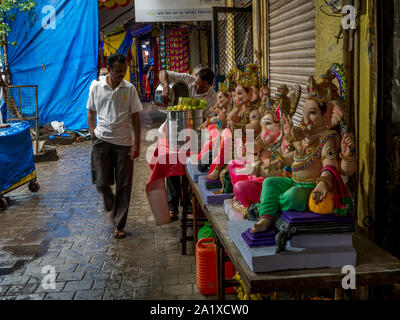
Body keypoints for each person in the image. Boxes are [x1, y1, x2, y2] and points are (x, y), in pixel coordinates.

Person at [87, 53, 142, 238]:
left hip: (124, 144)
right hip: (101, 141)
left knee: (124, 185)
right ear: (109, 69)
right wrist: (92, 132)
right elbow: (90, 111)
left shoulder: (130, 89)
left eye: (124, 70)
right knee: (101, 182)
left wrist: (137, 144)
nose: (122, 74)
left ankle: (119, 224)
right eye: (118, 71)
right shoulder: (96, 86)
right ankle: (110, 205)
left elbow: (135, 117)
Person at [159, 67, 217, 220]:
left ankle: (191, 205)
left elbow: (209, 120)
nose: (197, 87)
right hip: (174, 131)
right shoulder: (188, 80)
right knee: (171, 165)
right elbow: (163, 72)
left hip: (195, 136)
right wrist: (166, 87)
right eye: (197, 83)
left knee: (192, 168)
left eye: (202, 86)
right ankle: (172, 207)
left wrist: (199, 116)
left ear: (210, 85)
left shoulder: (213, 97)